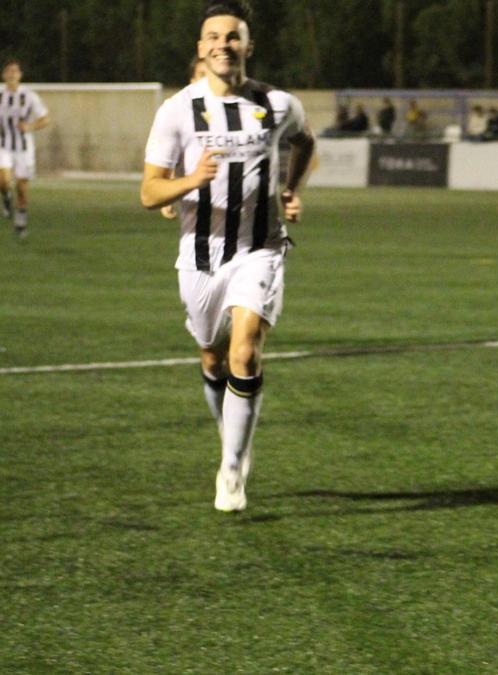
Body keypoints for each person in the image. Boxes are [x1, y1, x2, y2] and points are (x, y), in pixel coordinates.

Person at [139, 0, 316, 512]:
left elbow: (305, 143)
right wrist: (190, 181)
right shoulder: (177, 109)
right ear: (201, 48)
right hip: (200, 256)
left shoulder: (279, 104)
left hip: (259, 249)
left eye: (232, 36)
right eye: (213, 37)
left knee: (245, 350)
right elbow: (149, 193)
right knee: (213, 358)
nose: (223, 44)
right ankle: (231, 435)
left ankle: (232, 469)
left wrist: (291, 187)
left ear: (247, 45)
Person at [0, 58, 51, 239]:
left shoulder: (29, 96)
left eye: (15, 71)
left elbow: (45, 118)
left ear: (20, 75)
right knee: (4, 180)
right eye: (9, 71)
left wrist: (29, 127)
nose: (12, 74)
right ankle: (6, 198)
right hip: (3, 146)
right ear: (4, 75)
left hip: (23, 149)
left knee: (22, 188)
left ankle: (20, 225)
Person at [162, 57, 209, 221]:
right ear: (193, 80)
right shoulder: (183, 113)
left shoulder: (240, 109)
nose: (208, 80)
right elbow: (175, 155)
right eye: (202, 75)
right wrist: (168, 194)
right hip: (198, 207)